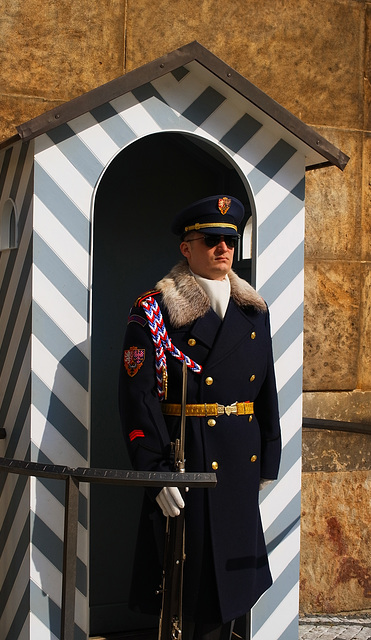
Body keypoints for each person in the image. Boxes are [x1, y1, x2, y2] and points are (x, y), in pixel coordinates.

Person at [119, 195, 282, 640]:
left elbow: (264, 388)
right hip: (186, 459)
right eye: (211, 240)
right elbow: (139, 398)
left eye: (229, 240)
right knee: (189, 585)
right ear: (185, 249)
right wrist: (153, 471)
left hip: (239, 462)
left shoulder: (253, 309)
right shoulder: (154, 310)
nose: (222, 249)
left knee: (232, 581)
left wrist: (269, 456)